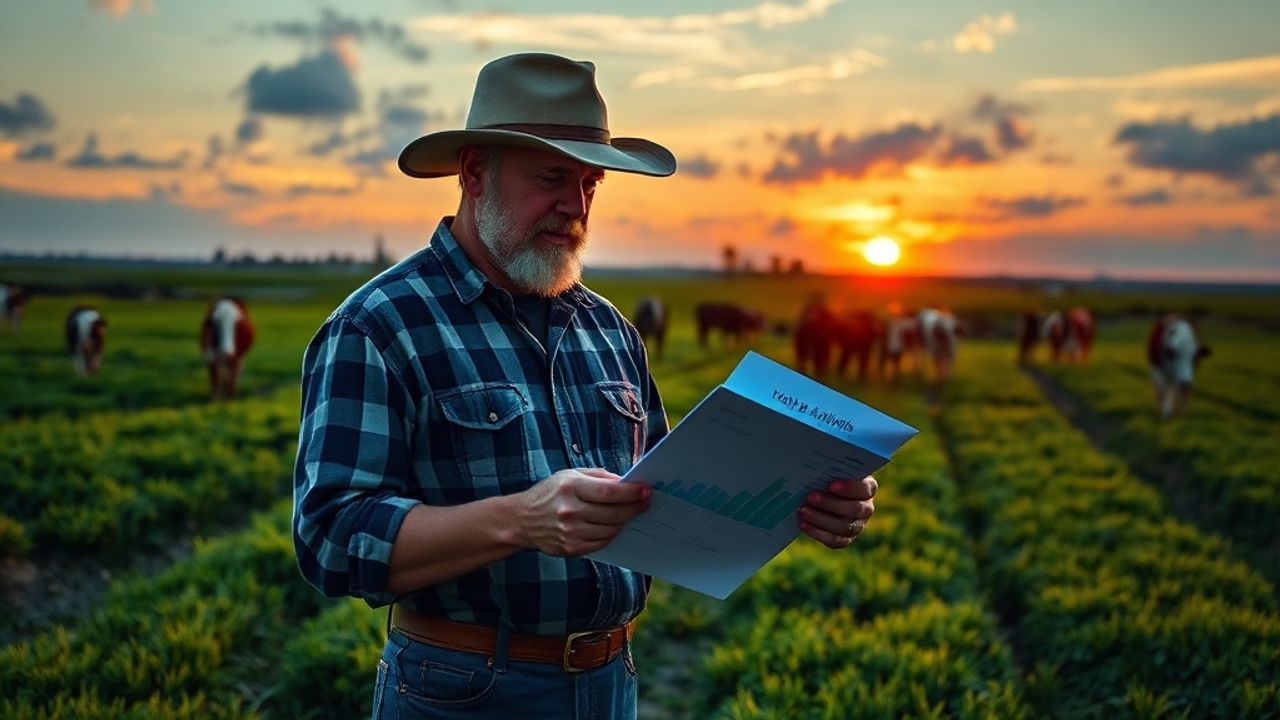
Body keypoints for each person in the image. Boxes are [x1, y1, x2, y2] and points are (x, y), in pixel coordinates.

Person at [292, 52, 878, 720]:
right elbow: (331, 541)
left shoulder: (611, 330)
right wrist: (520, 519)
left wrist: (803, 498)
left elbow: (667, 497)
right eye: (551, 178)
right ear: (475, 172)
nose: (575, 206)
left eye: (590, 184)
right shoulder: (380, 325)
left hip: (611, 681)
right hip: (461, 690)